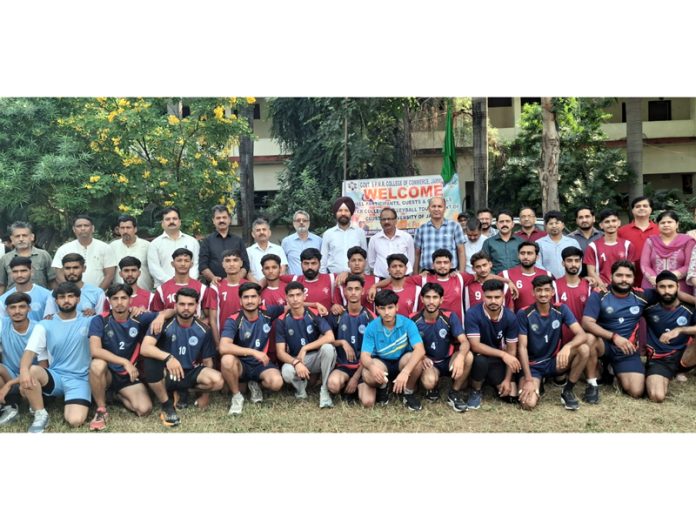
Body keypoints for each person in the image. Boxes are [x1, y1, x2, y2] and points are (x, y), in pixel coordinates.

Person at [141, 288, 223, 427]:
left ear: (196, 306)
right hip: (167, 372)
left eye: (190, 304)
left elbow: (207, 361)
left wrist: (205, 395)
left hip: (189, 372)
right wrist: (169, 358)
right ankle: (167, 405)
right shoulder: (161, 323)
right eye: (182, 304)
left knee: (218, 381)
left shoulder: (204, 329)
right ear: (175, 306)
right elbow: (145, 348)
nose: (186, 308)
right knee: (149, 362)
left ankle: (184, 391)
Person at [18, 282, 94, 432]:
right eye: (62, 297)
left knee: (75, 420)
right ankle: (40, 414)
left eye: (71, 296)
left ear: (78, 299)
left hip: (80, 379)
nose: (66, 300)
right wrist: (23, 371)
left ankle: (58, 400)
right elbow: (30, 351)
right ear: (56, 301)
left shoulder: (90, 320)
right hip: (57, 376)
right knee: (32, 370)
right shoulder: (45, 324)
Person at [87, 284, 165, 430]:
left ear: (130, 300)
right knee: (97, 364)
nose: (119, 302)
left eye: (124, 298)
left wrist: (160, 316)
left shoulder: (139, 318)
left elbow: (170, 311)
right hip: (108, 374)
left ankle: (116, 395)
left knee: (144, 409)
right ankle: (101, 410)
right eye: (115, 298)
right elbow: (95, 350)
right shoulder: (99, 320)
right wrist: (124, 362)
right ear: (109, 301)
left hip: (128, 376)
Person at [516, 275, 590, 411]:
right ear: (533, 292)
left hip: (553, 362)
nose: (543, 294)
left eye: (546, 290)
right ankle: (538, 383)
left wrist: (567, 346)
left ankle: (567, 391)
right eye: (539, 290)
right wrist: (528, 379)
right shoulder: (524, 313)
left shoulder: (561, 309)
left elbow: (582, 335)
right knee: (528, 404)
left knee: (584, 349)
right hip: (533, 366)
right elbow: (522, 347)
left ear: (553, 292)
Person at [582, 260, 652, 401]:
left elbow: (670, 293)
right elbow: (586, 323)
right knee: (589, 339)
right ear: (611, 276)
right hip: (605, 346)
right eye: (619, 275)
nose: (624, 279)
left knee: (636, 391)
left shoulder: (642, 296)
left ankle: (613, 372)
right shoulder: (600, 294)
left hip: (627, 350)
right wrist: (614, 337)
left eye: (628, 276)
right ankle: (592, 384)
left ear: (634, 278)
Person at [219, 283, 285, 415]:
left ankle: (255, 385)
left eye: (253, 297)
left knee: (276, 383)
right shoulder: (234, 320)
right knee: (226, 359)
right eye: (246, 297)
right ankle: (237, 396)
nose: (250, 301)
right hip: (241, 364)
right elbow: (223, 346)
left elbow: (292, 306)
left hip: (261, 364)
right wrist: (254, 352)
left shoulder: (267, 312)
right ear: (240, 301)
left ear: (260, 299)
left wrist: (315, 305)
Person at [358, 289, 425, 410]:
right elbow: (364, 356)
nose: (387, 312)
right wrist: (373, 368)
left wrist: (405, 372)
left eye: (390, 307)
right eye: (382, 308)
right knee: (367, 373)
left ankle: (408, 393)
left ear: (397, 307)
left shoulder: (408, 324)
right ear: (377, 309)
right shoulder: (371, 327)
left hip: (401, 362)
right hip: (382, 363)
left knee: (416, 359)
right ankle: (383, 388)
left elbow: (420, 350)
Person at [412, 283, 472, 412]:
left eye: (435, 297)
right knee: (429, 382)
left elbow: (465, 342)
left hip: (448, 359)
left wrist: (460, 357)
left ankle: (454, 393)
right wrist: (422, 357)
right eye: (427, 297)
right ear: (422, 299)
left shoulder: (450, 316)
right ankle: (433, 387)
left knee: (468, 356)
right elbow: (409, 346)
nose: (431, 301)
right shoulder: (413, 319)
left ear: (441, 300)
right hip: (429, 362)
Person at [275, 281, 337, 408]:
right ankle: (300, 389)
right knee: (286, 371)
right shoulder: (282, 320)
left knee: (328, 348)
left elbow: (330, 336)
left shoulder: (314, 313)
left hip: (316, 357)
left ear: (304, 296)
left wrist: (305, 348)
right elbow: (280, 352)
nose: (295, 299)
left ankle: (324, 391)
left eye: (298, 295)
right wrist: (296, 363)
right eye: (291, 296)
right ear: (286, 298)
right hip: (298, 359)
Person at [464, 279, 520, 409]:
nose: (493, 301)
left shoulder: (510, 317)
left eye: (497, 297)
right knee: (480, 362)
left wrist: (507, 380)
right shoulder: (473, 313)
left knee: (510, 396)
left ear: (503, 297)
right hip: (479, 357)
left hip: (497, 360)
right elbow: (475, 345)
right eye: (489, 297)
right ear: (483, 296)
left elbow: (511, 351)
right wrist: (503, 354)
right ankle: (476, 389)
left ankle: (492, 381)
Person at [643, 271, 696, 402]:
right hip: (660, 359)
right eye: (662, 287)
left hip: (684, 357)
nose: (667, 291)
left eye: (671, 286)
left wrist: (680, 329)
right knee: (657, 396)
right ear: (656, 288)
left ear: (678, 287)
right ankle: (665, 375)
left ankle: (680, 371)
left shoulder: (690, 307)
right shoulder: (649, 306)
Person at [325, 275, 375, 402]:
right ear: (345, 291)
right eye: (350, 289)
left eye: (357, 289)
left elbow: (374, 352)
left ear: (363, 291)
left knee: (368, 402)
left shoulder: (371, 318)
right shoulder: (337, 315)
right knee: (333, 385)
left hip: (363, 367)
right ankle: (346, 387)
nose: (353, 292)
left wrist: (355, 378)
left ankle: (356, 387)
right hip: (343, 366)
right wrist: (342, 342)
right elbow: (326, 339)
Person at [0, 292, 38, 426]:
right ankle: (10, 406)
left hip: (31, 378)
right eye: (12, 307)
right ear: (6, 310)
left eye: (22, 307)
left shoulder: (38, 329)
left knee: (26, 386)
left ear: (29, 308)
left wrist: (9, 384)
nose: (17, 311)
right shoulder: (2, 324)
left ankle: (20, 404)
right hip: (8, 375)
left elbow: (45, 367)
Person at [52, 214, 117, 289]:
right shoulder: (64, 249)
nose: (82, 228)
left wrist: (97, 293)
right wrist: (71, 292)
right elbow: (59, 274)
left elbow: (110, 275)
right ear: (74, 229)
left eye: (86, 225)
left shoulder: (105, 248)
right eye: (79, 226)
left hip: (98, 296)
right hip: (71, 296)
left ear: (92, 228)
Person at [147, 206, 200, 288]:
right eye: (167, 219)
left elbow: (196, 264)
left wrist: (188, 282)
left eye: (174, 218)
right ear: (162, 223)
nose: (171, 221)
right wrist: (172, 283)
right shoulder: (155, 244)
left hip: (189, 288)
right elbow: (154, 268)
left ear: (180, 222)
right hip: (164, 288)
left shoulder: (192, 242)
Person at [640, 210, 694, 291]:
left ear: (677, 224)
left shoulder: (688, 241)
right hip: (653, 285)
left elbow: (689, 265)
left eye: (669, 222)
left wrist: (670, 278)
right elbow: (644, 264)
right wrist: (655, 279)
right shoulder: (650, 241)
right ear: (657, 225)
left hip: (680, 288)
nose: (666, 225)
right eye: (662, 223)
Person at [151, 248, 211, 320]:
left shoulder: (202, 288)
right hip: (169, 330)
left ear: (191, 264)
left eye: (186, 261)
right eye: (179, 260)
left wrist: (202, 324)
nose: (183, 264)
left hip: (192, 329)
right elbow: (155, 315)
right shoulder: (161, 289)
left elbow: (210, 316)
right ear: (172, 264)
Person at [585, 208, 637, 290]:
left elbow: (631, 271)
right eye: (607, 222)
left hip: (623, 288)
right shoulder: (592, 246)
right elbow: (591, 272)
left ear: (619, 223)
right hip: (602, 289)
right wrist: (602, 286)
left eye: (613, 221)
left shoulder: (628, 245)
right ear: (601, 225)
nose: (611, 224)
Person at [199, 204, 251, 285]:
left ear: (229, 219)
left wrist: (236, 280)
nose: (221, 220)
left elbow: (245, 265)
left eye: (224, 217)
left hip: (236, 286)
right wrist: (213, 278)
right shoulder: (207, 241)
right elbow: (202, 265)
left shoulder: (238, 240)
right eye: (218, 218)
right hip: (215, 286)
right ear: (213, 220)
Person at [413, 196, 466, 274]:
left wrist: (461, 274)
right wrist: (416, 275)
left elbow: (461, 252)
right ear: (428, 208)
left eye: (439, 206)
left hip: (450, 274)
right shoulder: (421, 229)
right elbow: (417, 254)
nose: (436, 209)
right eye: (433, 206)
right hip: (427, 274)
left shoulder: (455, 226)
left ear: (444, 208)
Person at [0, 221, 55, 293]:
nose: (21, 239)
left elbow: (52, 281)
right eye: (17, 236)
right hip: (14, 301)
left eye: (24, 235)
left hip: (40, 300)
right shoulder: (5, 259)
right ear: (12, 239)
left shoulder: (43, 255)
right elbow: (2, 285)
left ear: (32, 237)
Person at [554, 247, 594, 346]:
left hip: (584, 335)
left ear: (581, 263)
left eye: (577, 261)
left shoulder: (589, 285)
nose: (573, 264)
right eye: (569, 261)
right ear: (563, 263)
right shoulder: (554, 285)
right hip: (561, 337)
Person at [617, 196, 659, 286]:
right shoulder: (622, 231)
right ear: (632, 210)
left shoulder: (659, 230)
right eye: (638, 206)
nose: (641, 208)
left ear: (651, 209)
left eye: (645, 206)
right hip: (628, 278)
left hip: (654, 278)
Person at [207, 249, 246, 348]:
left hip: (246, 336)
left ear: (241, 263)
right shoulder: (215, 287)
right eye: (228, 261)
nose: (231, 264)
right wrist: (217, 344)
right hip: (224, 338)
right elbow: (213, 319)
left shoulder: (249, 286)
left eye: (235, 260)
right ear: (222, 264)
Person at [320, 196, 367, 274]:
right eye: (340, 210)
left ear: (351, 213)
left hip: (355, 279)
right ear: (335, 213)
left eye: (346, 210)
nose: (343, 213)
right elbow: (323, 260)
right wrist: (325, 278)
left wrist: (366, 276)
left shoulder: (359, 233)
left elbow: (365, 258)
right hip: (333, 278)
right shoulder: (328, 234)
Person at [367, 207, 414, 279]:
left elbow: (410, 260)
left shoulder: (406, 237)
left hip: (403, 280)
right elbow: (371, 263)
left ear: (395, 220)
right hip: (381, 280)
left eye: (389, 219)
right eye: (383, 219)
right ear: (380, 222)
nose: (386, 222)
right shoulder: (374, 239)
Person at [110, 214, 153, 291]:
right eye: (122, 228)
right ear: (118, 230)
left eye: (128, 228)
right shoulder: (112, 247)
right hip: (119, 296)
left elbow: (154, 269)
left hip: (144, 295)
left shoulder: (147, 246)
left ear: (135, 229)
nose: (125, 231)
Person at [0, 256, 52, 321]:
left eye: (23, 271)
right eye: (15, 271)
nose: (19, 275)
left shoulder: (47, 295)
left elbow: (50, 323)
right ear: (11, 274)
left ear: (32, 271)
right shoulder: (3, 300)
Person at [502, 241, 548, 312]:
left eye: (529, 253)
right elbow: (485, 278)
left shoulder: (547, 275)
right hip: (518, 320)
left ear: (537, 257)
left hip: (541, 320)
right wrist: (507, 281)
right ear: (518, 255)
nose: (525, 256)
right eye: (522, 253)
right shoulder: (507, 274)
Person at [536, 211, 580, 279]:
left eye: (557, 223)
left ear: (563, 225)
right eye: (550, 223)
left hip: (569, 281)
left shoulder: (572, 242)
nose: (554, 226)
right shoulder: (539, 243)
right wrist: (548, 277)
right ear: (546, 226)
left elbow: (579, 262)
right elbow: (537, 264)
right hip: (547, 282)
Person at [334, 246, 376, 311]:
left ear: (365, 263)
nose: (357, 263)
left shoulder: (376, 281)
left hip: (371, 319)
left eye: (360, 260)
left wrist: (374, 286)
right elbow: (336, 305)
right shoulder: (341, 281)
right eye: (353, 260)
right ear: (348, 264)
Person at [281, 209, 322, 276]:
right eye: (298, 220)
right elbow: (284, 265)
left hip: (313, 281)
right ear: (294, 223)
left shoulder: (319, 241)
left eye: (304, 220)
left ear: (309, 223)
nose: (301, 222)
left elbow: (322, 263)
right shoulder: (286, 242)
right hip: (294, 282)